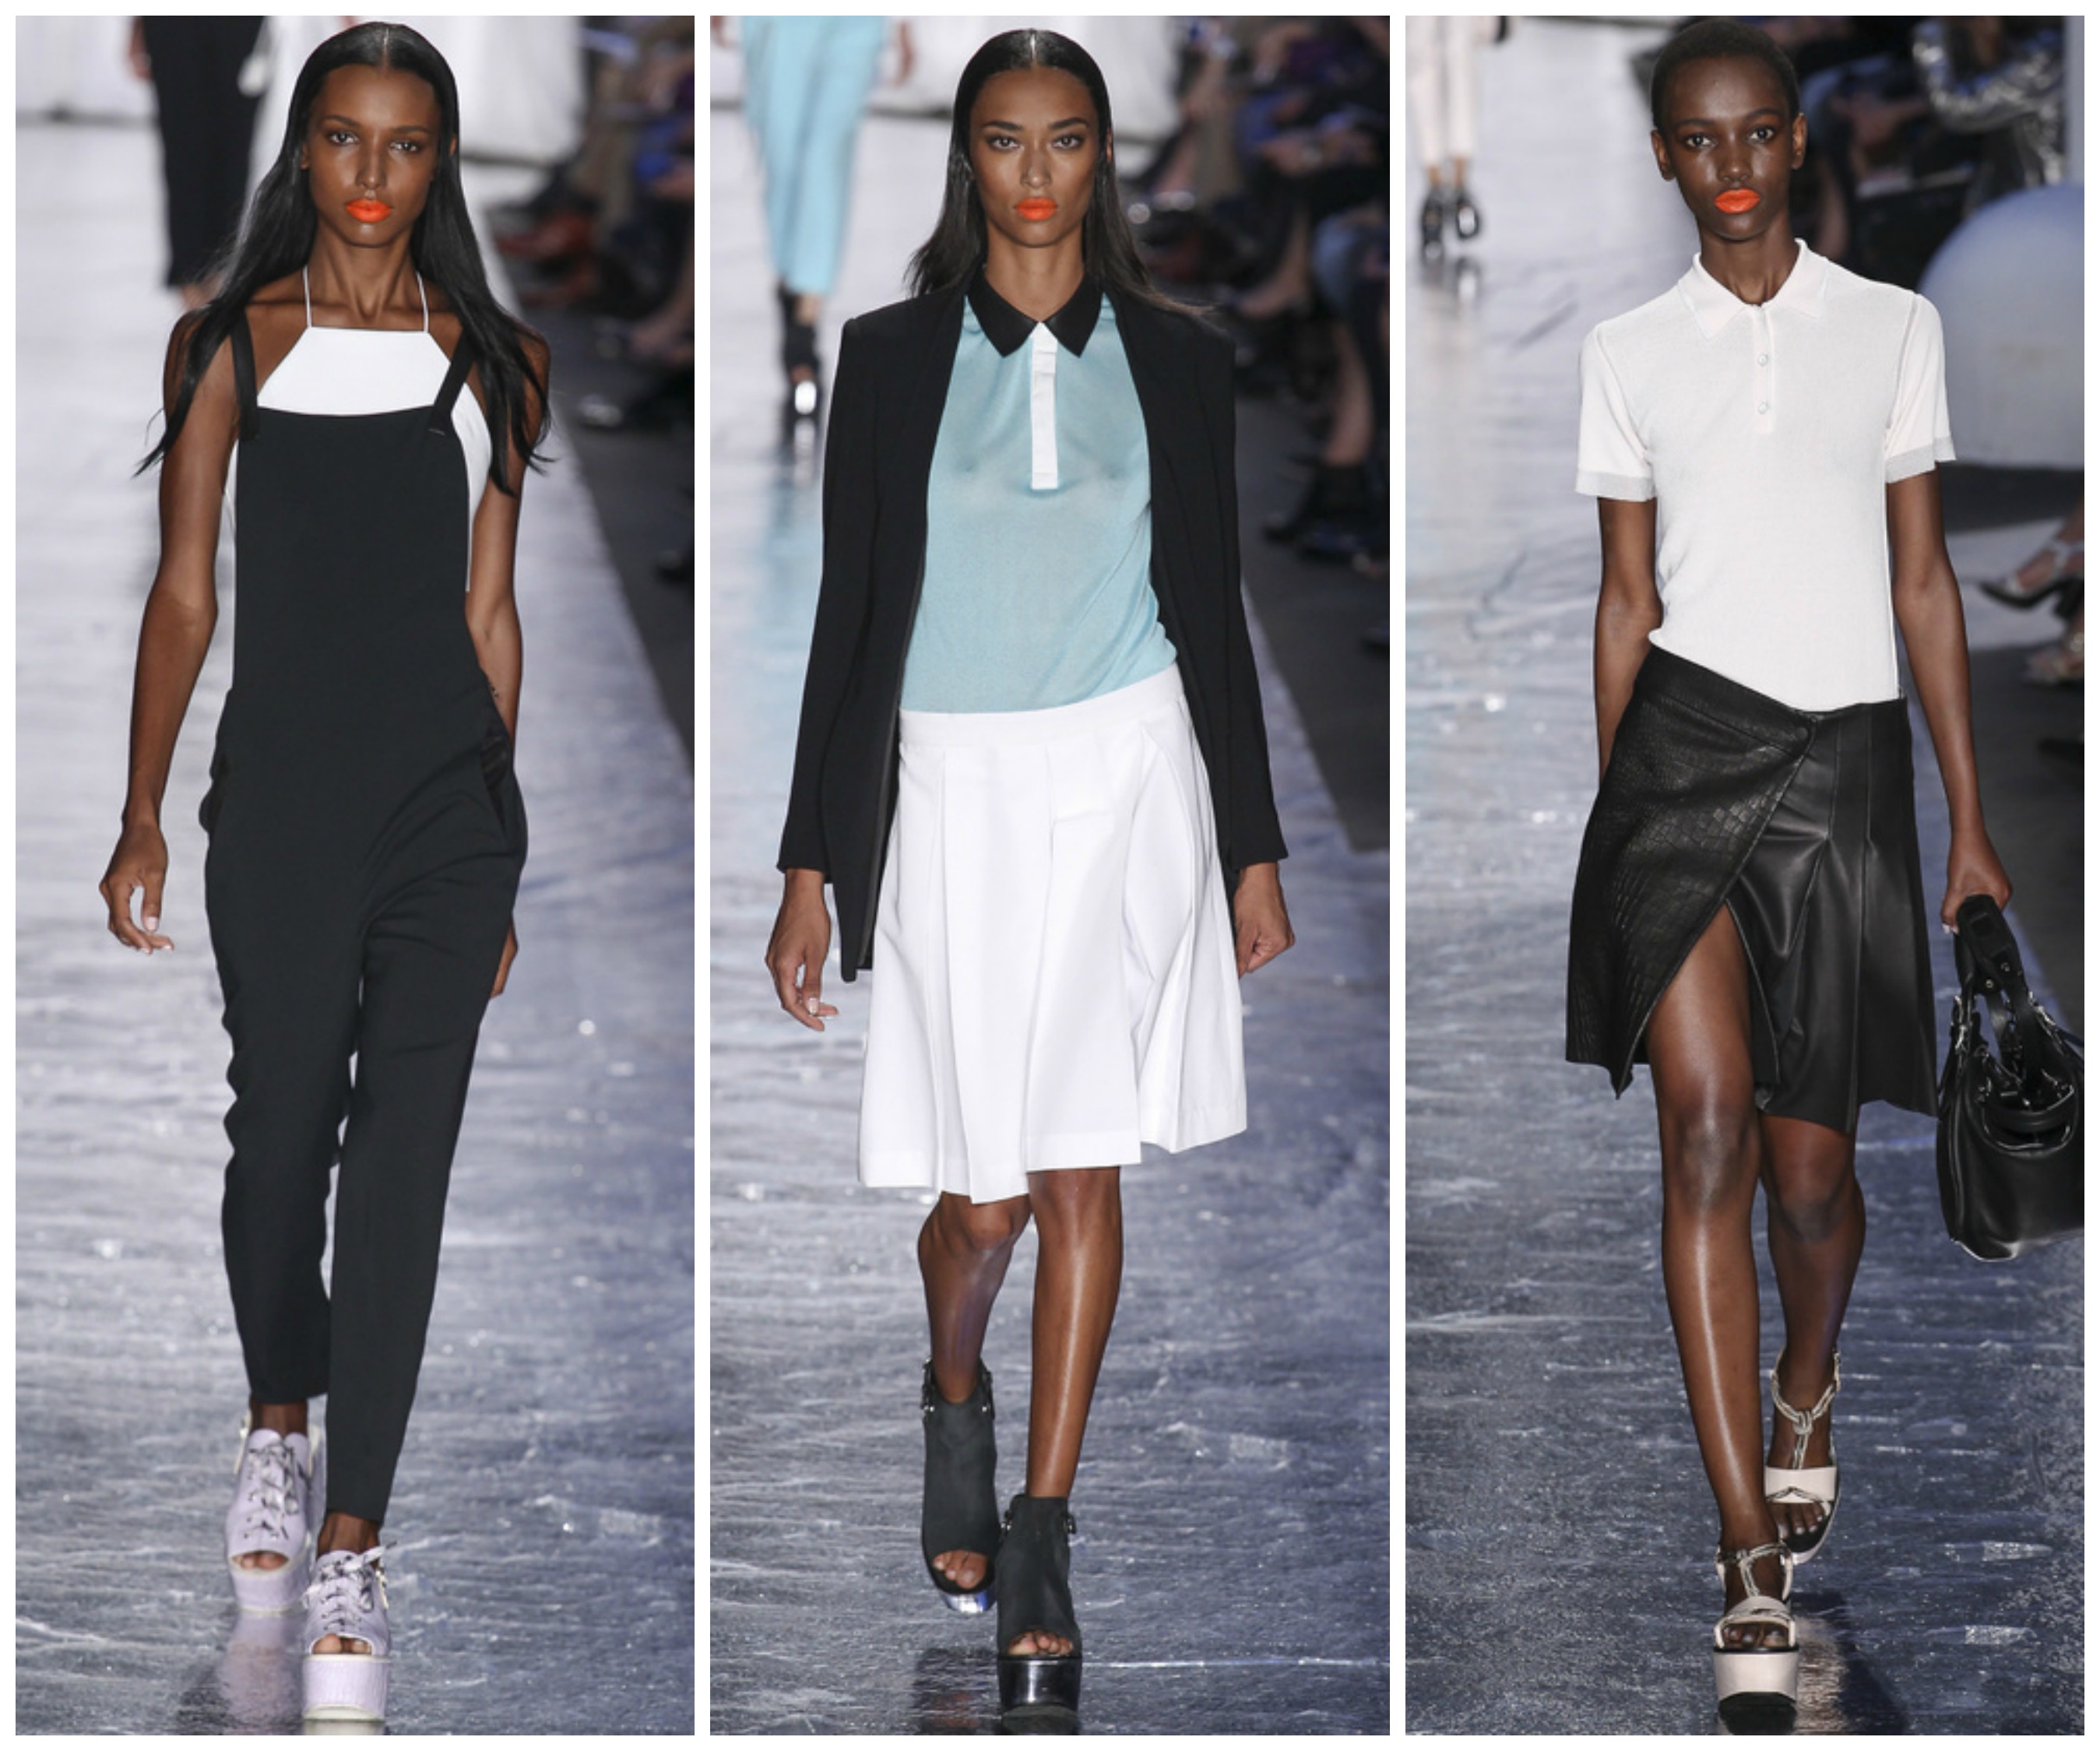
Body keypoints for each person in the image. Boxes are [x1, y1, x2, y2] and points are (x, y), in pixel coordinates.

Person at [763, 27, 1293, 1731]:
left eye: (1066, 140)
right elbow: (849, 616)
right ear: (967, 160)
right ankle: (950, 1388)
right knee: (979, 1204)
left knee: (1077, 1163)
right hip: (952, 787)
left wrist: (1251, 844)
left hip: (1128, 771)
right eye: (1005, 141)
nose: (1037, 173)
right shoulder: (891, 356)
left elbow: (1212, 612)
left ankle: (1046, 1537)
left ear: (1101, 157)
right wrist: (807, 862)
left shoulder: (1182, 358)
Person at [99, 22, 549, 1727]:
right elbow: (185, 592)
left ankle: (356, 1535)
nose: (374, 175)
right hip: (281, 802)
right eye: (346, 139)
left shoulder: (498, 359)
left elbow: (490, 612)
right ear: (303, 149)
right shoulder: (228, 341)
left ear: (441, 163)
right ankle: (278, 1418)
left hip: (445, 814)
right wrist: (143, 810)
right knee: (280, 1135)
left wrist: (502, 844)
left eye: (407, 144)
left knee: (405, 1164)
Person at [1564, 19, 2010, 1725]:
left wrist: (1967, 821)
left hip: (1839, 772)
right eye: (1700, 138)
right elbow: (1624, 601)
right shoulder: (1624, 351)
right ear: (1663, 157)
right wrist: (1615, 825)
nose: (1731, 163)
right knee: (1704, 1135)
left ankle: (1805, 1380)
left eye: (1757, 132)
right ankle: (1743, 1547)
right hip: (1676, 764)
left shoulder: (1890, 328)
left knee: (1812, 1184)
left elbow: (1921, 584)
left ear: (1798, 141)